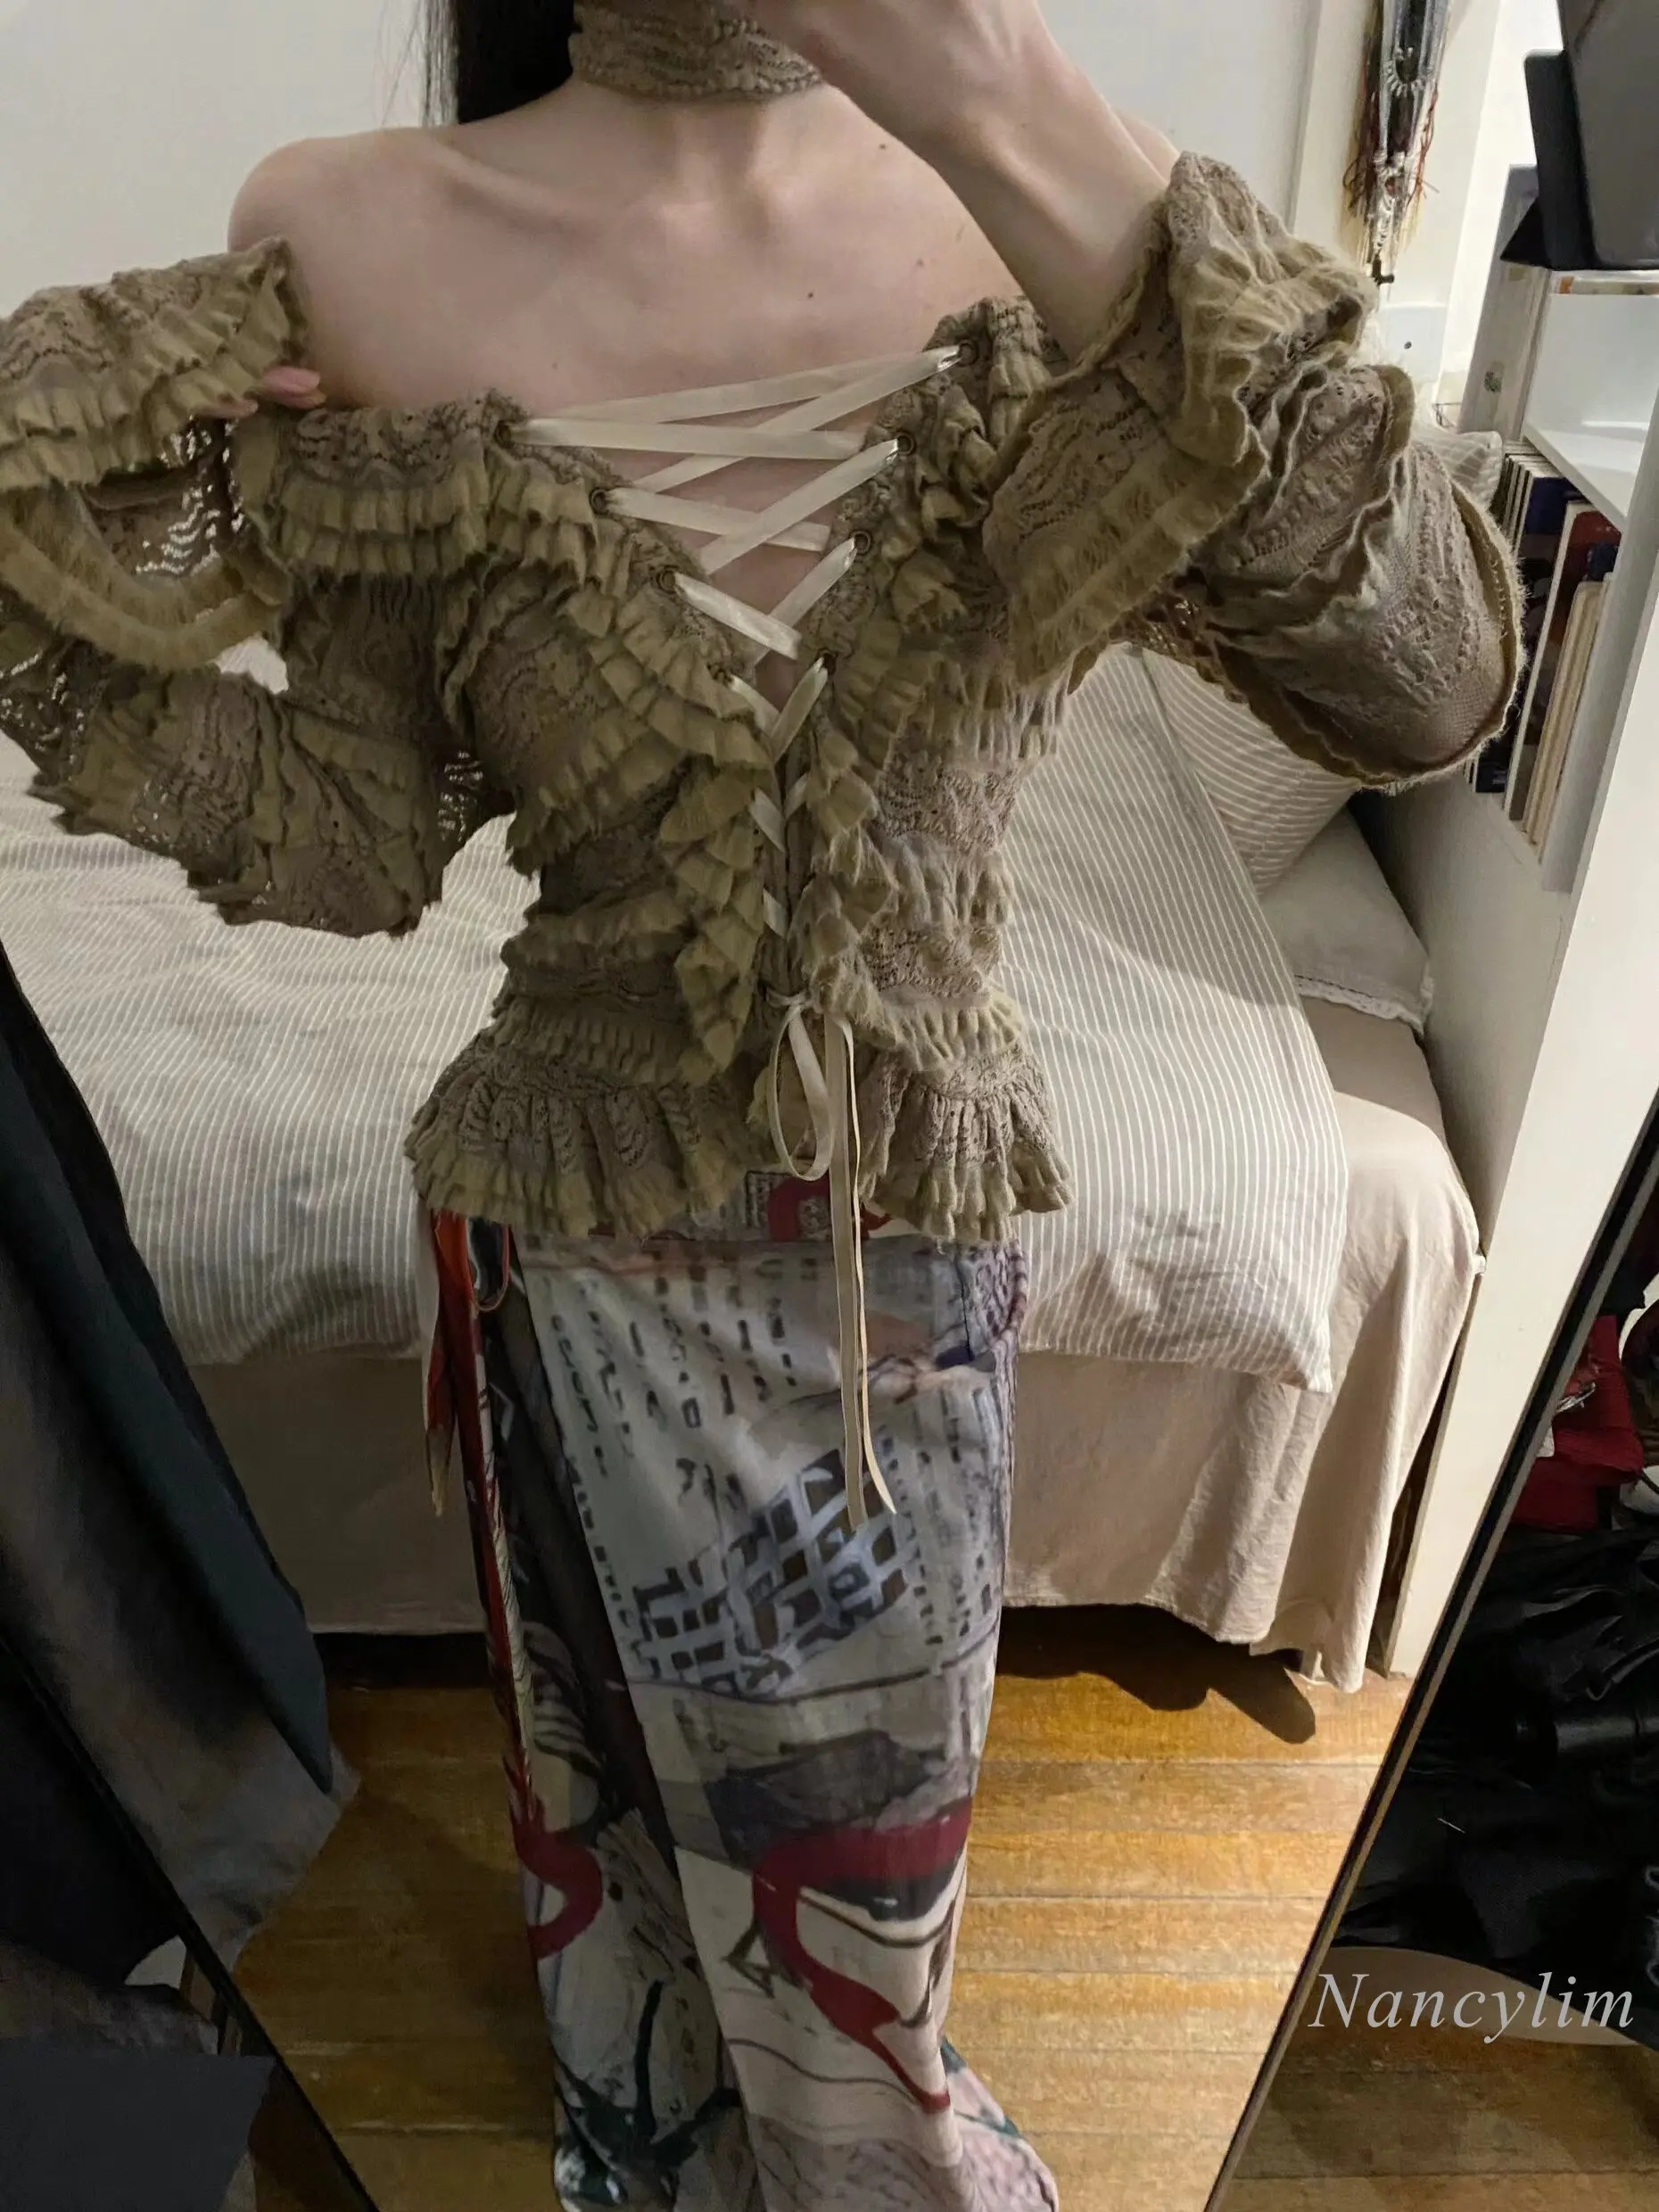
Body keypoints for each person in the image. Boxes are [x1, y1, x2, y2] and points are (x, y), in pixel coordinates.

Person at [0, 3, 1519, 2205]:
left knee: (859, 1966)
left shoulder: (1060, 213)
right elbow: (350, 825)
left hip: (908, 1283)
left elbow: (1429, 677)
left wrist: (992, 86)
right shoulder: (349, 226)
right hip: (563, 1250)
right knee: (611, 1853)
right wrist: (53, 534)